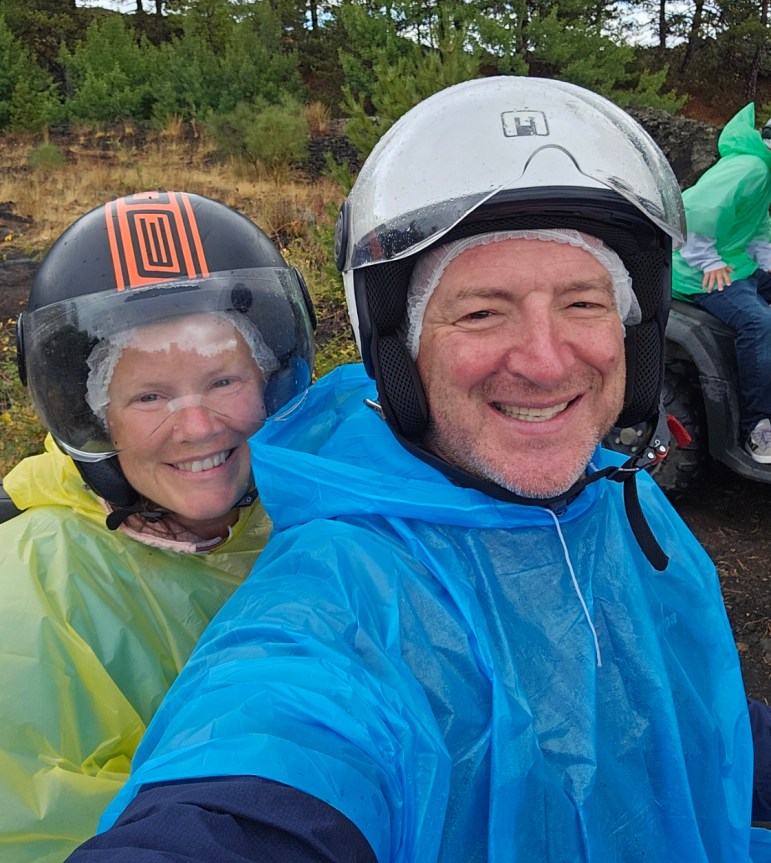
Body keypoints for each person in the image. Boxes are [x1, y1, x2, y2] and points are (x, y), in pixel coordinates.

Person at [66, 80, 771, 862]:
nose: (545, 361)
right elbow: (262, 772)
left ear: (632, 333)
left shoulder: (623, 505)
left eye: (582, 303)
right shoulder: (343, 590)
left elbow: (690, 713)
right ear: (400, 351)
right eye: (481, 311)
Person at [0, 190, 315, 863]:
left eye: (224, 381)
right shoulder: (33, 586)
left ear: (271, 383)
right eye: (149, 396)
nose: (197, 426)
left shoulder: (323, 521)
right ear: (96, 419)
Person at [671, 102, 771, 464]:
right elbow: (695, 209)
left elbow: (755, 225)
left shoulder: (764, 171)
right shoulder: (750, 167)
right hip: (699, 270)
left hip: (735, 262)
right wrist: (707, 259)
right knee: (758, 322)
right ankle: (758, 426)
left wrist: (767, 263)